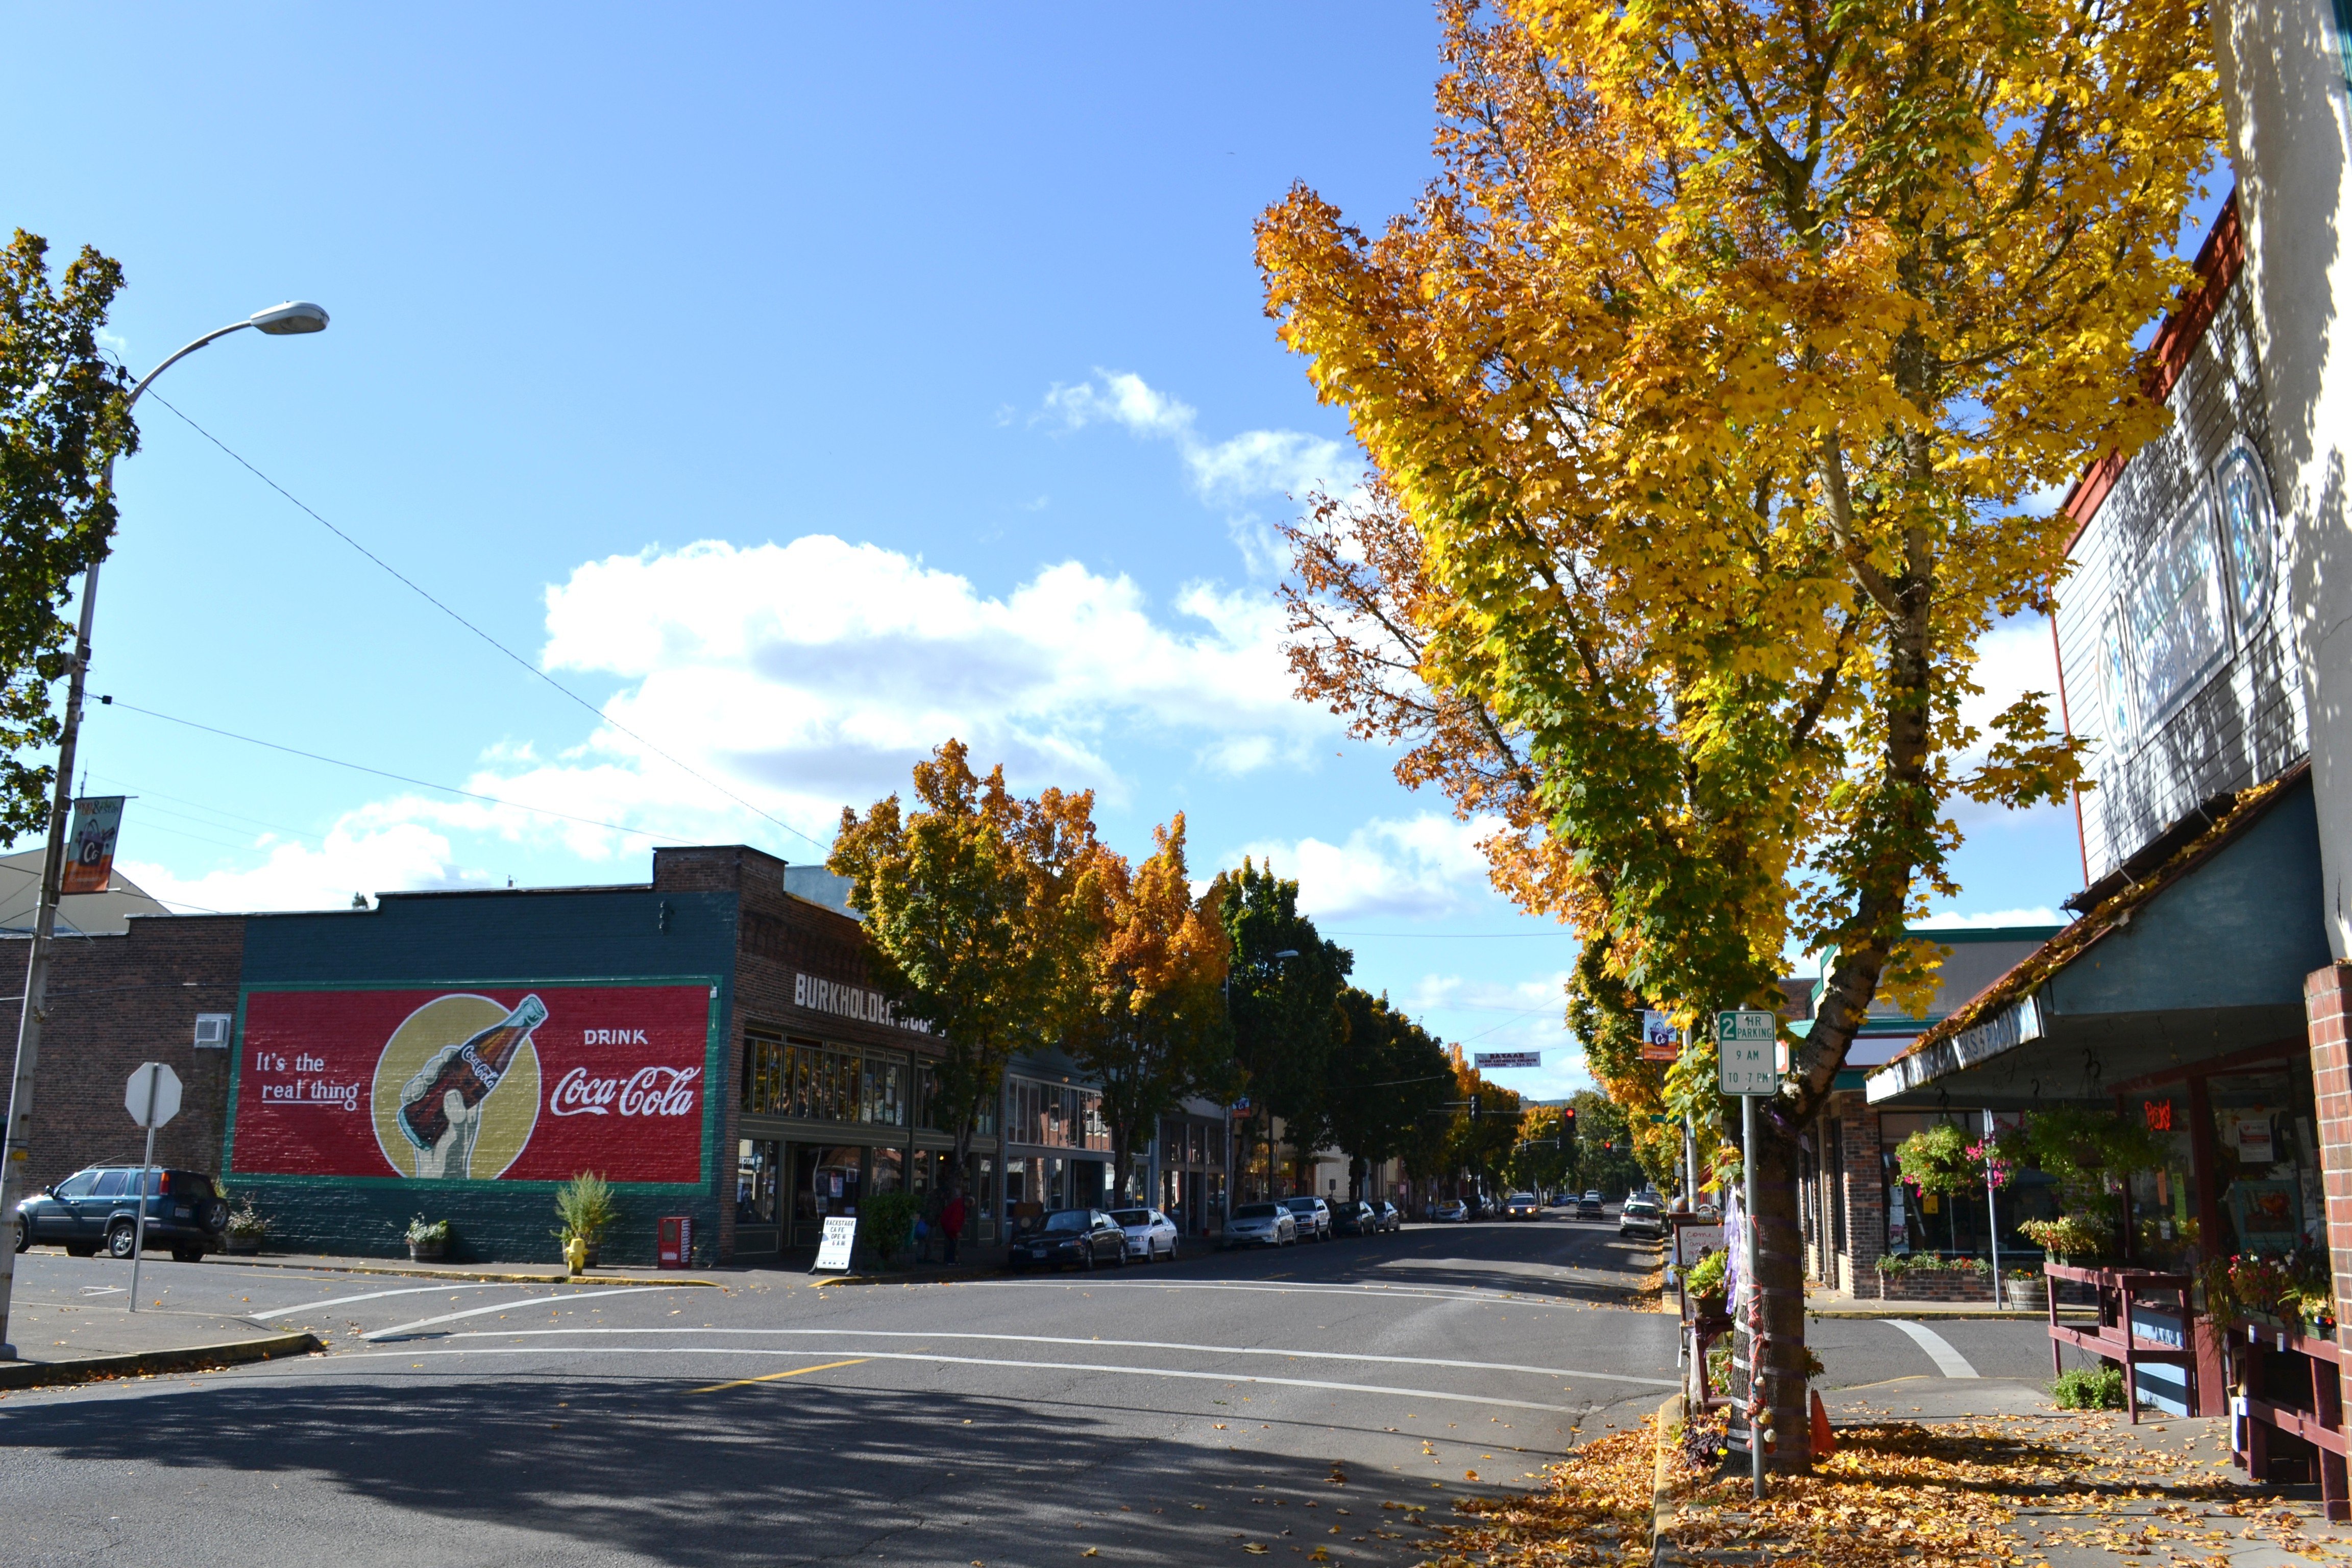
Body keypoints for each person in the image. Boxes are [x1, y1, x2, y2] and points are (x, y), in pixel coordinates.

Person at [941, 1190, 966, 1265]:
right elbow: (954, 1220)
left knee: (952, 1244)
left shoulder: (958, 1206)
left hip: (948, 1226)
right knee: (952, 1244)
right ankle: (950, 1260)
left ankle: (950, 1260)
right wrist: (957, 1232)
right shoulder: (959, 1207)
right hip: (949, 1227)